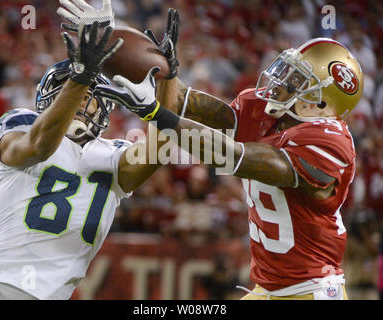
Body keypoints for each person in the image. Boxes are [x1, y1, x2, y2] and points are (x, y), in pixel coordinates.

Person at [97, 12, 364, 299]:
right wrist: (165, 74)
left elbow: (234, 158)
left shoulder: (329, 141)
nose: (282, 81)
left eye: (298, 80)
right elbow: (185, 102)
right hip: (268, 290)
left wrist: (156, 114)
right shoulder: (267, 113)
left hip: (312, 291)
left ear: (322, 103)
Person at [0, 9, 176, 299]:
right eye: (73, 89)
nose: (82, 100)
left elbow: (160, 148)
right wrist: (80, 77)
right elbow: (37, 147)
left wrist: (169, 81)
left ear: (103, 108)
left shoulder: (113, 154)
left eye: (91, 95)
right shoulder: (21, 123)